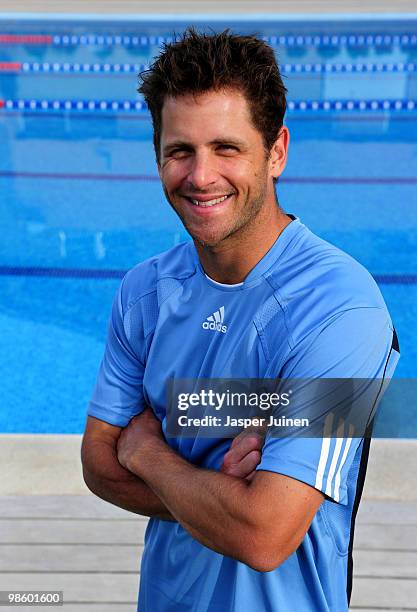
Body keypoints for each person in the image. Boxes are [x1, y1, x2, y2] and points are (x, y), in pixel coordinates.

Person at [81, 29, 400, 612]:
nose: (201, 176)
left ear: (276, 151)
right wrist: (220, 491)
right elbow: (99, 463)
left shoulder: (338, 309)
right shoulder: (144, 293)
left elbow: (263, 534)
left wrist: (149, 453)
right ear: (157, 154)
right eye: (181, 150)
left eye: (226, 148)